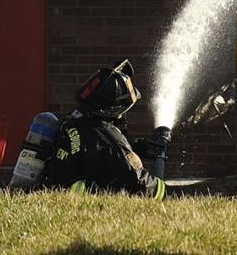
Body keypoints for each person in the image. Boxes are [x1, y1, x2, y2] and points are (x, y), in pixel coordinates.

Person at [41, 60, 168, 199]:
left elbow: (94, 149)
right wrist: (177, 191)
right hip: (81, 210)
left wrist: (132, 147)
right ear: (114, 110)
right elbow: (141, 186)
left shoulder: (74, 121)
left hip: (52, 194)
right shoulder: (110, 143)